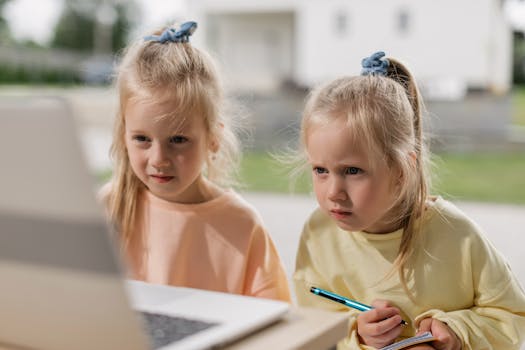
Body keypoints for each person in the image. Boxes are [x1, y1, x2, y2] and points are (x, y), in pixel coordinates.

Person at [293, 51, 525, 349]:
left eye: (352, 170)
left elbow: (513, 316)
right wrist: (357, 334)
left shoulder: (457, 236)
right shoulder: (318, 233)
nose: (332, 192)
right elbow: (311, 324)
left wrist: (456, 332)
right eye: (320, 170)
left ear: (402, 170)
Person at [100, 21, 290, 302]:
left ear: (213, 138)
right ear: (123, 135)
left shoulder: (243, 225)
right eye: (142, 139)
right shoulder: (107, 207)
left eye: (178, 140)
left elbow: (276, 323)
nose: (159, 159)